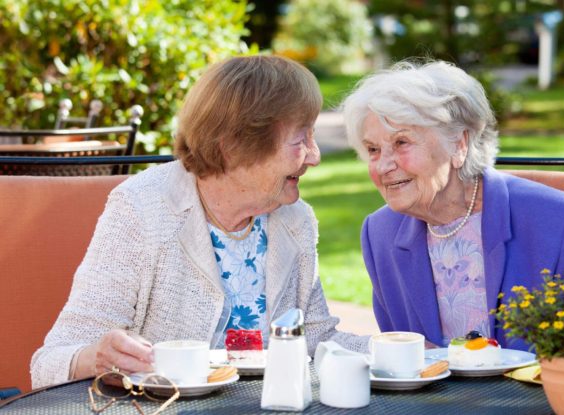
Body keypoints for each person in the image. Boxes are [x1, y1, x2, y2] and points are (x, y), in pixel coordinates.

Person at [31, 55, 368, 389]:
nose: (316, 156)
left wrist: (414, 355)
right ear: (234, 147)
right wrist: (98, 357)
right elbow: (50, 362)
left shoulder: (294, 219)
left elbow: (318, 339)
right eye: (300, 140)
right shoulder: (141, 210)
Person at [341, 60, 564, 351]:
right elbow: (402, 355)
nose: (383, 165)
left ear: (459, 145)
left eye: (402, 142)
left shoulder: (562, 221)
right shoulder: (380, 234)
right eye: (373, 149)